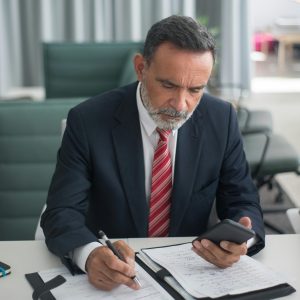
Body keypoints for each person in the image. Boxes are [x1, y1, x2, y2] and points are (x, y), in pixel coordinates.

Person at [41, 15, 265, 291]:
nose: (181, 105)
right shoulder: (88, 121)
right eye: (168, 85)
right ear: (140, 68)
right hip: (117, 274)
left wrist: (242, 242)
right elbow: (61, 212)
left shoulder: (221, 119)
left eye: (195, 89)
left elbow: (243, 200)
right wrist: (89, 255)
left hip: (192, 275)